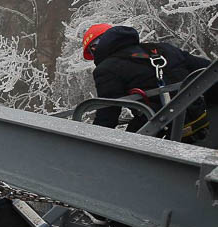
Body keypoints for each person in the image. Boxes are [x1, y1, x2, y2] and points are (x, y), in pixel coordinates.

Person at [82, 23, 211, 142]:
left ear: (96, 48)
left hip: (162, 134)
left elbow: (108, 115)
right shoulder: (162, 49)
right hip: (202, 120)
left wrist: (91, 143)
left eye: (92, 52)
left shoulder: (106, 69)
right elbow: (208, 71)